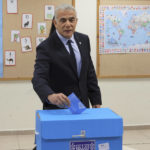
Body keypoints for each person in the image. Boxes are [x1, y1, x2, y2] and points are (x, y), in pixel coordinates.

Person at [32, 4, 102, 150]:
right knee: (61, 145)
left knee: (82, 143)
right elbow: (38, 78)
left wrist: (96, 101)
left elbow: (89, 72)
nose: (68, 24)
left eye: (71, 20)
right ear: (55, 23)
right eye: (63, 20)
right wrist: (50, 95)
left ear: (76, 21)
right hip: (58, 108)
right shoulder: (46, 47)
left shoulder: (84, 40)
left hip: (82, 107)